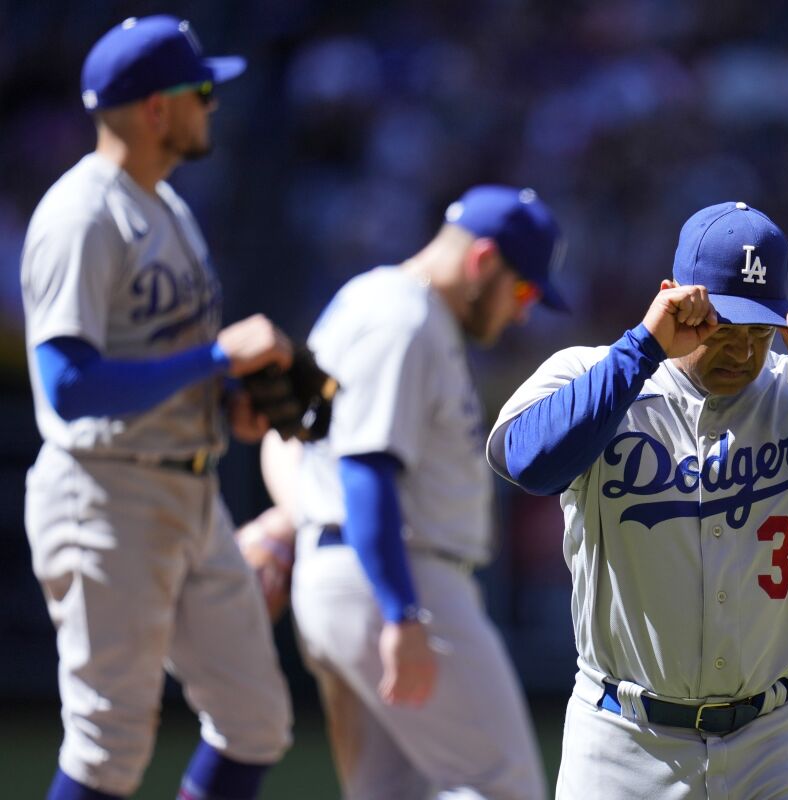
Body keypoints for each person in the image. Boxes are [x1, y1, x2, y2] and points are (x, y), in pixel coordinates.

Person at [485, 200, 788, 799]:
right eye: (721, 327)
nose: (741, 351)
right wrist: (641, 348)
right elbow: (524, 463)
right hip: (622, 741)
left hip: (770, 743)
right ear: (674, 298)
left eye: (758, 331)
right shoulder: (597, 375)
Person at [20, 15, 295, 800]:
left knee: (255, 720)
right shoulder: (83, 215)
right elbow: (68, 389)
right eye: (201, 91)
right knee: (109, 742)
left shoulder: (167, 207)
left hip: (190, 488)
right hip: (106, 494)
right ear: (154, 109)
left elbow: (158, 359)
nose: (214, 104)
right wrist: (215, 359)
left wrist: (229, 403)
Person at [258, 185, 566, 799]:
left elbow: (291, 436)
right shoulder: (405, 320)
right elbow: (366, 469)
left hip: (357, 574)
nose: (524, 311)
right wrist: (401, 612)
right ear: (483, 261)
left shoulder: (367, 301)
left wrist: (293, 522)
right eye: (524, 289)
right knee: (504, 785)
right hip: (400, 579)